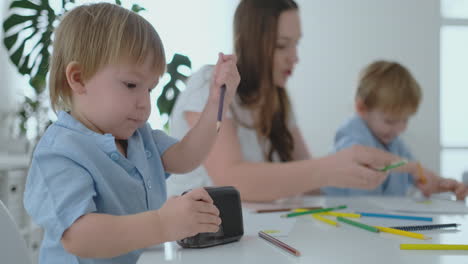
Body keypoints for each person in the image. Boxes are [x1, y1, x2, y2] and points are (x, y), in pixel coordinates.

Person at [23, 3, 240, 264]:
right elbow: (79, 237)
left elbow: (188, 157)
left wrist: (218, 103)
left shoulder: (140, 136)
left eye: (149, 89)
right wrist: (161, 224)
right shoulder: (59, 152)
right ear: (78, 78)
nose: (145, 103)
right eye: (131, 85)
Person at [167, 0, 400, 202]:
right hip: (200, 240)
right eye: (282, 45)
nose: (295, 57)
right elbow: (230, 178)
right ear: (250, 44)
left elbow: (310, 184)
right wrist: (330, 167)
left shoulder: (278, 101)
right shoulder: (212, 84)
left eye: (296, 43)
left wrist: (353, 171)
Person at [321, 60, 468, 200]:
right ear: (361, 108)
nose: (400, 128)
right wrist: (413, 168)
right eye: (390, 121)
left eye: (405, 120)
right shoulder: (353, 136)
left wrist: (440, 183)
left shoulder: (395, 143)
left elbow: (417, 173)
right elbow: (366, 157)